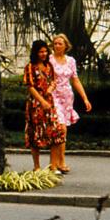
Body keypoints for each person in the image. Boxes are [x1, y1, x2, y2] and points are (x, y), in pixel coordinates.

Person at [49, 34, 92, 174]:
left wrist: (85, 98)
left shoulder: (71, 61)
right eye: (55, 43)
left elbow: (75, 80)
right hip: (53, 96)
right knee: (60, 127)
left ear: (66, 46)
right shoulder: (49, 60)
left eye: (60, 43)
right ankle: (56, 162)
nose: (57, 46)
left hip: (66, 97)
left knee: (63, 128)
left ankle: (60, 161)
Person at [24, 40, 65, 173]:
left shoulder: (49, 66)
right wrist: (42, 101)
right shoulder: (30, 67)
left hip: (49, 103)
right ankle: (36, 166)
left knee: (56, 132)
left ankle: (53, 166)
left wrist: (50, 89)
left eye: (45, 51)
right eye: (41, 51)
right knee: (35, 134)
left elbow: (54, 81)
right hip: (36, 104)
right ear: (35, 52)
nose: (43, 54)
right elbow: (30, 87)